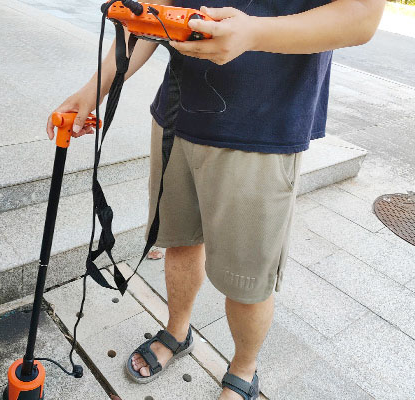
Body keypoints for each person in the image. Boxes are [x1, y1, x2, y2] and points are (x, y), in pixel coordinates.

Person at [47, 0, 384, 398]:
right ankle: (177, 331)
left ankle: (244, 369)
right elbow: (153, 8)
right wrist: (94, 90)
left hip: (263, 127)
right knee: (179, 241)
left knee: (247, 282)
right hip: (177, 112)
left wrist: (254, 33)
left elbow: (362, 16)